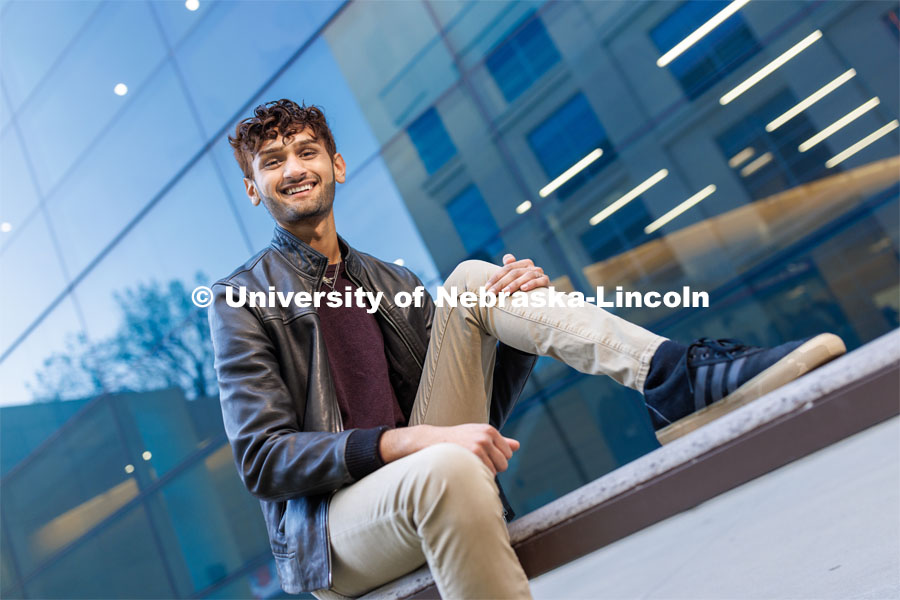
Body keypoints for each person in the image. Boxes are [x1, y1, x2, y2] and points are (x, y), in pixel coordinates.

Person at [208, 99, 846, 599]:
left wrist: (517, 324)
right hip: (338, 533)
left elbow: (477, 412)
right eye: (272, 161)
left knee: (477, 281)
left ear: (336, 165)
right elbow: (263, 461)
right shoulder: (242, 298)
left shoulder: (392, 282)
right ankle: (672, 380)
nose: (293, 169)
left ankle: (673, 378)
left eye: (306, 151)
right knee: (446, 466)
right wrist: (406, 443)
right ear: (252, 189)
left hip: (432, 469)